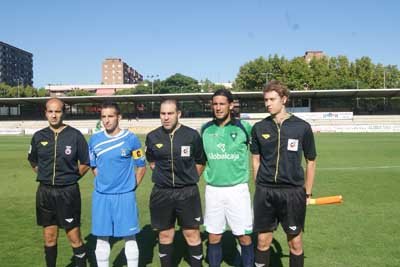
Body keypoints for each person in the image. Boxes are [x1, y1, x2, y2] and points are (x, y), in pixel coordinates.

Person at [250, 80, 317, 267]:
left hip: (293, 192)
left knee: (295, 243)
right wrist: (259, 185)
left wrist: (307, 192)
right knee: (263, 242)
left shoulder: (302, 127)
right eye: (265, 100)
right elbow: (256, 159)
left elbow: (311, 161)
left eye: (272, 99)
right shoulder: (259, 128)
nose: (268, 103)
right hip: (266, 192)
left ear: (284, 99)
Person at [27, 98, 90, 267]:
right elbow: (33, 161)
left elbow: (85, 162)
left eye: (57, 111)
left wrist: (71, 178)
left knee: (74, 236)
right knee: (49, 236)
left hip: (68, 193)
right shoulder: (39, 136)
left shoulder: (75, 135)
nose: (54, 115)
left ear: (63, 113)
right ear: (45, 113)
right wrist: (45, 175)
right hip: (45, 193)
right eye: (50, 111)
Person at [145, 99, 206, 267]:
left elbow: (200, 161)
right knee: (165, 235)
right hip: (161, 193)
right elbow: (152, 162)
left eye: (170, 113)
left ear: (179, 114)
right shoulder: (152, 137)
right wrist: (165, 178)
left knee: (192, 233)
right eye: (162, 114)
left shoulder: (192, 135)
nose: (166, 117)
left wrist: (190, 178)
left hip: (187, 192)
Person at [88, 102, 146, 267]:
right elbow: (94, 166)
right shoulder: (94, 140)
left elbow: (141, 166)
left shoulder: (131, 139)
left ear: (118, 117)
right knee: (101, 237)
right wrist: (104, 182)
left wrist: (132, 186)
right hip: (102, 196)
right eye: (103, 117)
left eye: (110, 116)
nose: (106, 120)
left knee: (130, 236)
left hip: (124, 196)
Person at [201, 89, 254, 267]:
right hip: (213, 189)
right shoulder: (205, 129)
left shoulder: (244, 128)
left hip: (237, 189)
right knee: (214, 236)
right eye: (215, 104)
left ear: (231, 105)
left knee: (244, 236)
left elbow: (260, 152)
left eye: (222, 103)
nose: (218, 107)